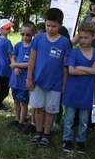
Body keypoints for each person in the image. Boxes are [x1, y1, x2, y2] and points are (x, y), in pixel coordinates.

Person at [26, 8, 70, 147]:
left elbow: (65, 65)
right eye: (48, 25)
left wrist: (64, 83)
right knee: (38, 108)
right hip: (38, 81)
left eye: (54, 26)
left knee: (50, 110)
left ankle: (46, 134)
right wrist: (29, 78)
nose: (50, 29)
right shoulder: (38, 39)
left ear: (61, 24)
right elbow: (32, 60)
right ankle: (38, 132)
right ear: (45, 23)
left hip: (55, 84)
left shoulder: (64, 42)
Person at [62, 23, 95, 154]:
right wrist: (91, 70)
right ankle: (67, 139)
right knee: (69, 118)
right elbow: (72, 71)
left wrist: (81, 67)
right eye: (81, 37)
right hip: (72, 90)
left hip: (87, 91)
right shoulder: (73, 52)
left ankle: (81, 141)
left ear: (93, 37)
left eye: (86, 38)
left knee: (84, 120)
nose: (83, 40)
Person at [9, 22, 35, 130]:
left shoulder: (33, 47)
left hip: (25, 80)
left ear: (33, 34)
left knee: (23, 102)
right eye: (22, 34)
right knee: (15, 100)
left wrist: (15, 65)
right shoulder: (18, 45)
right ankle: (16, 118)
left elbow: (30, 63)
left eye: (28, 34)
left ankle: (21, 120)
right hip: (15, 79)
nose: (25, 37)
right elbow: (12, 57)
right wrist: (15, 67)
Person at [0, 19, 13, 110]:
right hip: (6, 69)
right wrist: (14, 64)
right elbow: (10, 56)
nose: (9, 29)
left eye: (9, 27)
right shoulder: (7, 42)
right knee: (5, 90)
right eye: (6, 28)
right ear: (0, 29)